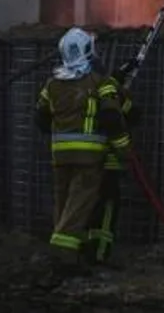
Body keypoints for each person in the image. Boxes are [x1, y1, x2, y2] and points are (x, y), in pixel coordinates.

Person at [35, 27, 132, 275]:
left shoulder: (52, 85)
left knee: (64, 204)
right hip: (89, 157)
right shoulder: (98, 82)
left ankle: (70, 254)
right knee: (79, 205)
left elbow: (41, 119)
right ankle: (61, 255)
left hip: (60, 156)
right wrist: (124, 149)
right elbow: (112, 117)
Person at [83, 57, 139, 268]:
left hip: (78, 161)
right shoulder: (109, 92)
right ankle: (99, 253)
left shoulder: (73, 90)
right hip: (105, 161)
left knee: (83, 206)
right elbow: (131, 115)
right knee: (107, 207)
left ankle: (82, 252)